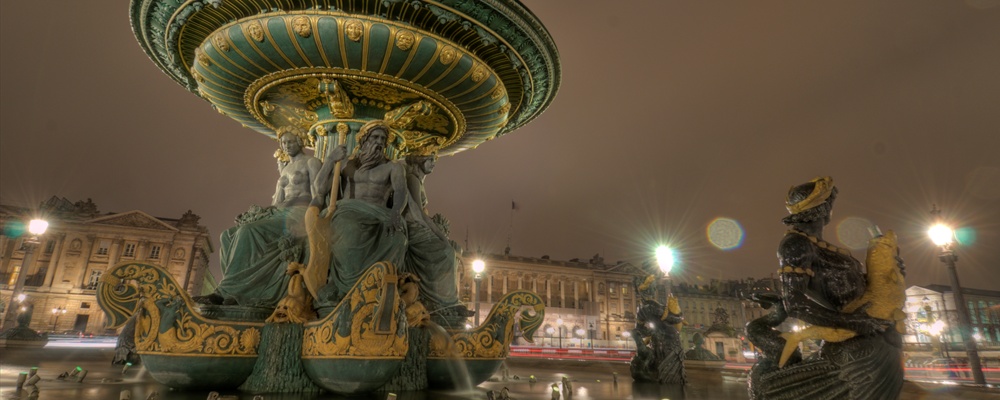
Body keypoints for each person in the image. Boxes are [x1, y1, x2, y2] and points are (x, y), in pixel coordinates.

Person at [746, 176, 903, 400]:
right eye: (830, 203)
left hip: (872, 339)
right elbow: (795, 304)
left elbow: (853, 288)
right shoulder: (795, 245)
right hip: (853, 352)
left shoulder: (816, 245)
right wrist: (854, 323)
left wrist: (891, 275)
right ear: (824, 208)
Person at [199, 127, 321, 306]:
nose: (286, 145)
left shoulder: (311, 162)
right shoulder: (285, 169)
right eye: (283, 142)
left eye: (290, 141)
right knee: (227, 235)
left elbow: (318, 194)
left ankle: (226, 292)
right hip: (278, 212)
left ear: (300, 142)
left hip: (298, 213)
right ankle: (234, 291)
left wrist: (314, 218)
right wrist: (256, 214)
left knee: (248, 232)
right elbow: (276, 201)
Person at [315, 121, 408, 303]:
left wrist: (396, 213)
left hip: (381, 214)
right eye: (374, 137)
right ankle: (345, 288)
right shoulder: (346, 165)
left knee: (397, 238)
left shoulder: (393, 167)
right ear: (364, 141)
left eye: (382, 138)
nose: (379, 142)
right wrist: (329, 160)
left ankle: (381, 288)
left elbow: (401, 192)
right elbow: (319, 188)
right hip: (349, 211)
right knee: (350, 230)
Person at [400, 153, 470, 321]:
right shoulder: (412, 179)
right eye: (430, 160)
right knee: (445, 252)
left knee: (454, 248)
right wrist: (438, 233)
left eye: (434, 160)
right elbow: (416, 213)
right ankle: (441, 302)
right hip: (414, 227)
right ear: (419, 160)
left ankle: (450, 300)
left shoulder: (419, 180)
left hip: (420, 225)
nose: (433, 164)